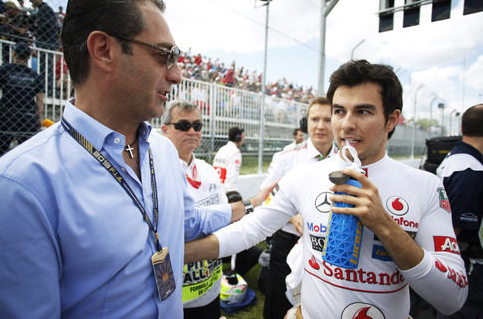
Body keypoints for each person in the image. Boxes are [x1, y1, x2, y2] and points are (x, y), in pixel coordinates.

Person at [0, 0, 238, 318]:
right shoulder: (19, 188)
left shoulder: (162, 152)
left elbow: (184, 223)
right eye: (164, 55)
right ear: (104, 50)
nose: (176, 74)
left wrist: (248, 208)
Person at [185, 60, 468, 318]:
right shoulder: (303, 176)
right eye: (339, 111)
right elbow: (249, 230)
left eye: (363, 111)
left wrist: (385, 225)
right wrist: (177, 254)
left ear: (391, 120)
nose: (346, 124)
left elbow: (452, 298)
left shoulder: (426, 186)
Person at [161, 100, 245, 318]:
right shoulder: (156, 173)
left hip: (210, 287)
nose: (191, 131)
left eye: (197, 126)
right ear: (164, 130)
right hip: (174, 297)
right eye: (183, 125)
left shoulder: (209, 171)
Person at [260, 97, 337, 319]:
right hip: (287, 242)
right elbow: (266, 198)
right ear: (306, 123)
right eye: (315, 119)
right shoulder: (287, 158)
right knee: (278, 303)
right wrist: (292, 216)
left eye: (327, 119)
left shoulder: (347, 160)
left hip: (326, 246)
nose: (321, 126)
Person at [436, 103, 483, 319]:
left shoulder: (456, 159)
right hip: (467, 266)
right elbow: (453, 232)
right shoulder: (470, 170)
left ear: (463, 129)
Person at [0, 42, 44, 166]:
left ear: (14, 53)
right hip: (27, 115)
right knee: (29, 152)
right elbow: (40, 99)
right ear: (28, 57)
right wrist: (39, 117)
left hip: (7, 113)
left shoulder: (4, 70)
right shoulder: (34, 76)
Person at [26, 0, 59, 94]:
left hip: (47, 43)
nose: (30, 1)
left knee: (46, 68)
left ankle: (49, 90)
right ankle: (47, 89)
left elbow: (46, 26)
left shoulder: (45, 9)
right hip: (46, 42)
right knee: (45, 68)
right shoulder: (42, 9)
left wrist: (34, 27)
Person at [213, 126, 244, 191]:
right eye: (242, 137)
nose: (243, 139)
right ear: (238, 138)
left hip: (215, 189)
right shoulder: (235, 153)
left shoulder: (221, 149)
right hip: (225, 193)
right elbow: (232, 178)